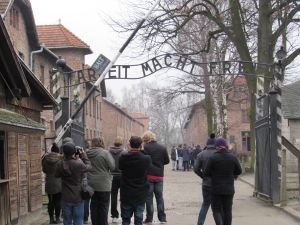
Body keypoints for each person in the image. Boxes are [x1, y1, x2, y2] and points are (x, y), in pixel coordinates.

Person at [204, 137, 242, 225]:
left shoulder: (213, 158)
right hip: (229, 188)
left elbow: (206, 172)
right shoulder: (232, 157)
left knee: (216, 209)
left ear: (216, 146)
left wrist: (213, 175)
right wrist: (232, 173)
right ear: (225, 146)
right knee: (228, 210)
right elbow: (239, 171)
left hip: (216, 189)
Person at [55, 138, 91, 225]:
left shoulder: (60, 164)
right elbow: (88, 167)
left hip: (66, 196)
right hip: (77, 196)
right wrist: (83, 156)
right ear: (74, 151)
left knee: (67, 220)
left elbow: (56, 175)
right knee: (78, 220)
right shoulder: (78, 163)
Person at [119, 136, 152, 225]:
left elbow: (120, 167)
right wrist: (142, 149)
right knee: (138, 218)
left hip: (126, 192)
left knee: (125, 219)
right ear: (141, 145)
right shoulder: (146, 159)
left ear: (129, 145)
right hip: (140, 193)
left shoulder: (123, 157)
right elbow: (147, 160)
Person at [142, 131, 169, 224]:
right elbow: (167, 161)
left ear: (145, 139)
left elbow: (143, 161)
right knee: (160, 197)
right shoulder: (162, 147)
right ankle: (162, 218)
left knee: (148, 198)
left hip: (148, 175)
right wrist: (160, 164)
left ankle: (149, 219)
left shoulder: (145, 148)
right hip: (159, 176)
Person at [86, 137, 115, 225]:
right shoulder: (105, 153)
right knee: (103, 206)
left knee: (94, 205)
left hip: (91, 184)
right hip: (104, 184)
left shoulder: (87, 153)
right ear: (101, 142)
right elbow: (112, 167)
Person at [193, 136, 216, 225]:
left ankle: (200, 223)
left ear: (207, 144)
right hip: (217, 184)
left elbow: (195, 168)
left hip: (206, 183)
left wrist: (203, 176)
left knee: (205, 205)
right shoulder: (218, 153)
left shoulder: (201, 154)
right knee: (217, 207)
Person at [42, 143, 63, 224]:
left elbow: (44, 170)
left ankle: (51, 219)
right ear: (58, 151)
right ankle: (57, 219)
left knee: (50, 201)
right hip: (58, 183)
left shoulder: (45, 159)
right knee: (58, 201)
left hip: (49, 183)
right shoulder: (60, 159)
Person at [109, 136, 125, 223]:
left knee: (113, 196)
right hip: (121, 176)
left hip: (111, 176)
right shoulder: (124, 152)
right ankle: (123, 214)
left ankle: (114, 215)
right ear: (121, 143)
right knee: (123, 197)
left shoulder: (108, 152)